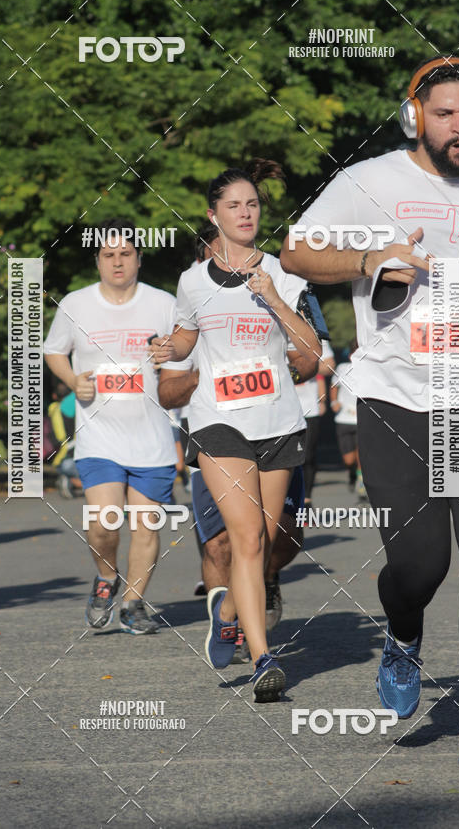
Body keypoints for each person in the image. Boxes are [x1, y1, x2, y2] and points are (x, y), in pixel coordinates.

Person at [281, 57, 459, 769]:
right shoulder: (367, 182)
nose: (458, 127)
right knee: (420, 564)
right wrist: (368, 263)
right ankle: (403, 634)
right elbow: (295, 252)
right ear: (414, 117)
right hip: (397, 399)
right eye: (443, 114)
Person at [152, 160, 321, 702]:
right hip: (217, 420)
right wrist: (169, 349)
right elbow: (185, 336)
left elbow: (312, 354)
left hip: (277, 420)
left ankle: (226, 610)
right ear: (213, 216)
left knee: (265, 541)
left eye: (251, 204)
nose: (245, 213)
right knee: (245, 538)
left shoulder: (285, 274)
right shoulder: (191, 280)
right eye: (233, 206)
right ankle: (264, 658)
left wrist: (274, 298)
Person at [44, 217, 182, 635]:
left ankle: (133, 605)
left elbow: (186, 357)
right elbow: (54, 351)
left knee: (146, 526)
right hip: (99, 436)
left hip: (152, 437)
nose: (117, 262)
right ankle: (106, 577)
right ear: (97, 260)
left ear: (139, 258)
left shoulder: (164, 304)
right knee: (103, 523)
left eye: (125, 254)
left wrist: (169, 357)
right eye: (108, 255)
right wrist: (73, 381)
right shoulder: (76, 304)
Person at [295, 338, 335, 504]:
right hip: (283, 409)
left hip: (309, 408)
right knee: (286, 457)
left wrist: (305, 366)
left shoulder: (316, 337)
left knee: (308, 455)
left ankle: (307, 498)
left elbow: (329, 366)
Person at [330, 342, 364, 497]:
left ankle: (361, 482)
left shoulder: (369, 369)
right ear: (350, 355)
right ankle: (352, 473)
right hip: (343, 419)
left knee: (361, 454)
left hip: (362, 419)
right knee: (348, 460)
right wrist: (334, 402)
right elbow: (333, 386)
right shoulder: (342, 368)